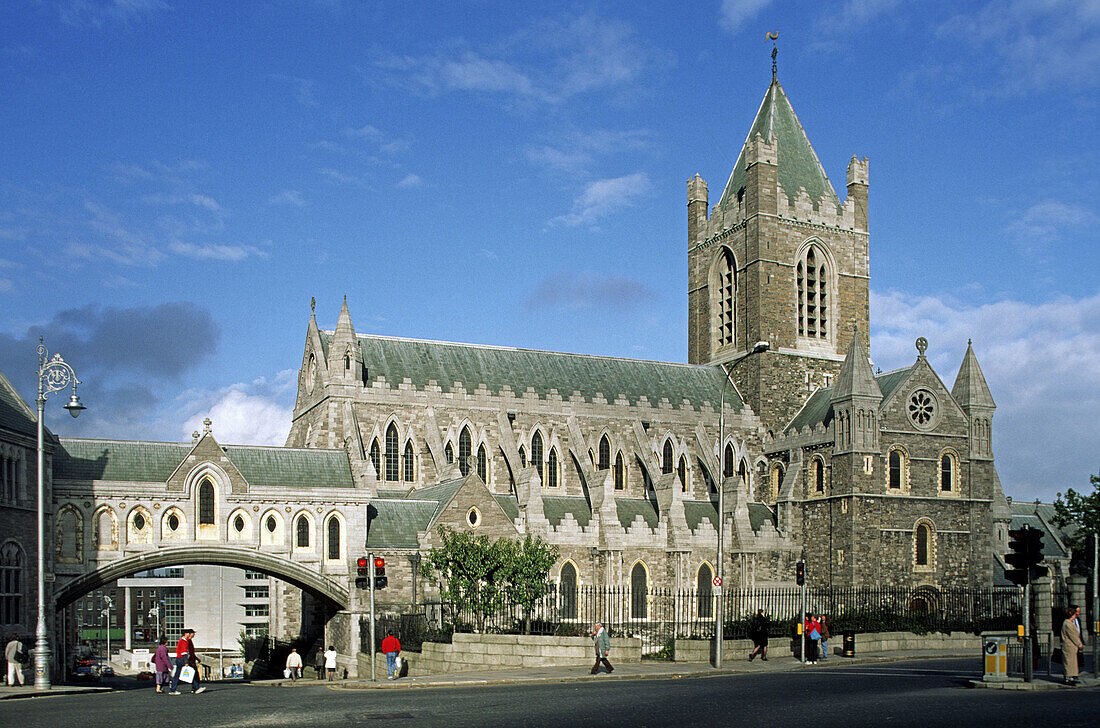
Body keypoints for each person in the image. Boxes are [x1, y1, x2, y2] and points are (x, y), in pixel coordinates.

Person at [169, 628, 206, 695]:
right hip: (182, 659)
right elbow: (184, 653)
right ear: (186, 634)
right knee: (193, 672)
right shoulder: (183, 641)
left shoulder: (184, 641)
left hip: (181, 659)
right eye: (189, 633)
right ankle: (195, 688)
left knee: (178, 674)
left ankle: (173, 689)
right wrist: (186, 662)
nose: (190, 635)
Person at [1060, 604, 1084, 685]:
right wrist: (1080, 645)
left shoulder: (1068, 623)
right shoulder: (1068, 624)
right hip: (1069, 646)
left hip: (1071, 647)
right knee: (1069, 663)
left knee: (1072, 663)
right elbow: (1074, 636)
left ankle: (1071, 677)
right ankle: (1068, 678)